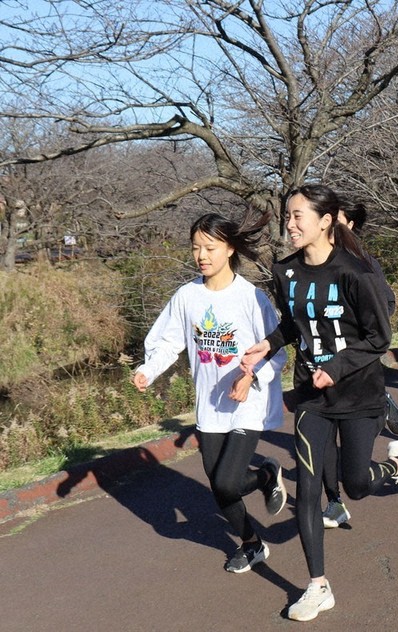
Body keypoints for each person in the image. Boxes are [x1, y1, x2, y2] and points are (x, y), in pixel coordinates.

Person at [240, 184, 398, 622]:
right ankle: (317, 585)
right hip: (311, 396)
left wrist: (337, 367)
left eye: (298, 216)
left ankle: (397, 466)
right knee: (308, 490)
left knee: (355, 485)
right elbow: (294, 324)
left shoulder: (354, 272)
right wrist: (268, 344)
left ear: (326, 221)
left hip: (358, 393)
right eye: (287, 215)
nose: (290, 224)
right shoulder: (286, 271)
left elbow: (379, 338)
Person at [132, 212, 288, 574]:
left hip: (247, 402)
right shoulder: (188, 296)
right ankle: (252, 544)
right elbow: (168, 341)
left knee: (227, 481)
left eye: (210, 247)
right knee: (220, 488)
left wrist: (251, 376)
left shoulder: (250, 297)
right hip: (210, 405)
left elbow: (276, 351)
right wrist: (147, 370)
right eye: (195, 248)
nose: (201, 255)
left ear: (229, 248)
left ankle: (266, 475)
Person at [320, 196, 398, 530]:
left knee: (353, 472)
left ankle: (380, 406)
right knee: (324, 443)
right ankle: (334, 503)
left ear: (349, 225)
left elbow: (387, 304)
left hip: (357, 369)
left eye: (335, 219)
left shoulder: (363, 263)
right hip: (321, 367)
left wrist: (357, 323)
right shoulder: (310, 264)